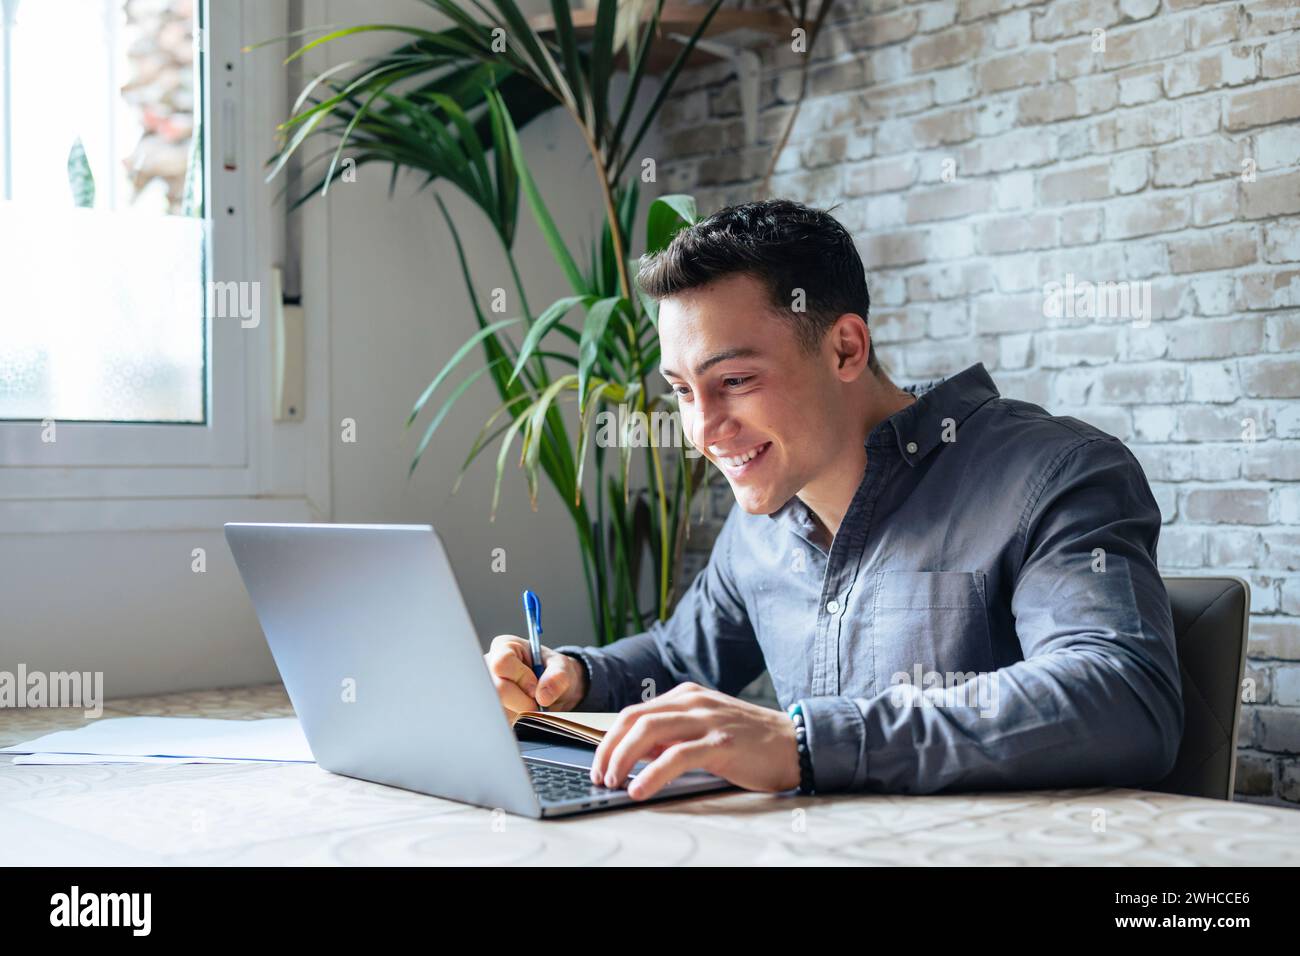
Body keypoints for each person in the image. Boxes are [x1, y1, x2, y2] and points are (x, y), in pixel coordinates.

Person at [485, 198, 1183, 802]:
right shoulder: (764, 516)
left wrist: (806, 743)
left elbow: (1121, 695)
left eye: (733, 380)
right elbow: (677, 659)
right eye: (681, 391)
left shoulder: (1054, 473)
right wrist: (570, 677)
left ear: (845, 348)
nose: (703, 432)